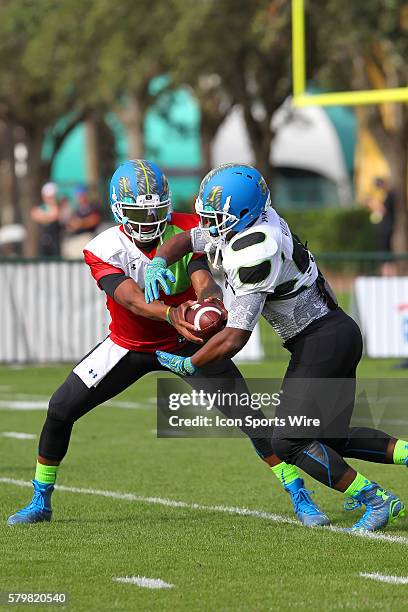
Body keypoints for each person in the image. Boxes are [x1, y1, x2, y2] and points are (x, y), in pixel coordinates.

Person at [7, 160, 327, 527]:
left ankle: (299, 494)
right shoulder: (104, 246)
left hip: (186, 341)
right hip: (130, 344)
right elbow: (131, 299)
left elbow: (201, 274)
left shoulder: (188, 227)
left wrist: (208, 301)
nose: (146, 224)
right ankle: (40, 499)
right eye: (136, 214)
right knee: (60, 408)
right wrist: (172, 313)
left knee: (248, 415)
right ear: (117, 208)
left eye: (154, 213)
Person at [144, 163, 408, 532]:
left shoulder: (255, 249)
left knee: (288, 442)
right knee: (331, 438)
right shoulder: (250, 219)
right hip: (334, 332)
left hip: (320, 340)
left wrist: (192, 364)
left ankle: (377, 501)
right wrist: (159, 260)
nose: (208, 225)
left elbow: (236, 337)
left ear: (243, 215)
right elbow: (190, 240)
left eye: (216, 217)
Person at [62, 186, 101, 259]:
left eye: (81, 195)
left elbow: (94, 220)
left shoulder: (92, 206)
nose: (79, 197)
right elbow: (70, 224)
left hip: (88, 237)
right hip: (76, 238)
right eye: (78, 195)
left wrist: (80, 223)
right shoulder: (76, 209)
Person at [30, 182, 61, 256]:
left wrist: (44, 216)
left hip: (55, 240)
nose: (50, 199)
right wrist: (48, 216)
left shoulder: (58, 206)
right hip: (43, 240)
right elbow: (34, 215)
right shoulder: (41, 207)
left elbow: (55, 215)